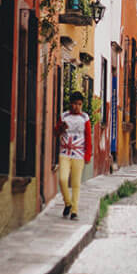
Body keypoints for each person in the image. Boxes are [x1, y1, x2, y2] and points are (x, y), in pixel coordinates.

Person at [54, 91, 92, 220]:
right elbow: (56, 132)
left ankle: (74, 210)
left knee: (76, 183)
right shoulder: (64, 116)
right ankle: (68, 203)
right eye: (75, 104)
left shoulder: (85, 118)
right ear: (70, 104)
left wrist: (87, 155)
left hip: (78, 154)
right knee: (62, 179)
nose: (77, 107)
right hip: (64, 153)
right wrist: (60, 128)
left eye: (80, 104)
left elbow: (88, 137)